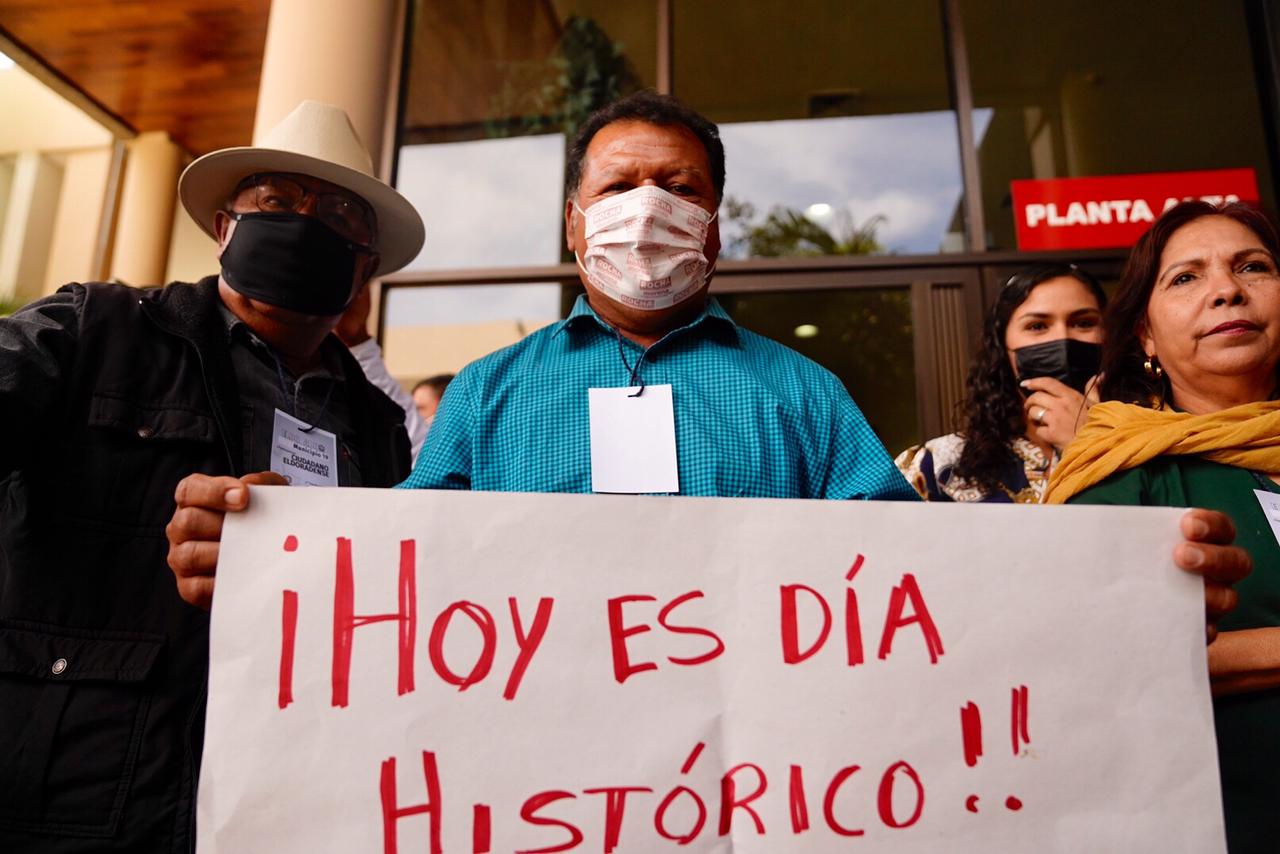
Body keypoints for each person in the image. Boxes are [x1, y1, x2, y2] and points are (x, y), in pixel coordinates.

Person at [0, 100, 422, 852]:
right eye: (277, 200)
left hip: (284, 799)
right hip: (77, 797)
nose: (305, 222)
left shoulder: (380, 428)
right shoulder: (95, 331)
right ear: (225, 226)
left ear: (365, 267)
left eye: (339, 214)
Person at [396, 90, 918, 499]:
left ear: (713, 230)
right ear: (573, 224)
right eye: (618, 187)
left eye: (681, 188)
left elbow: (892, 555)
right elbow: (414, 551)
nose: (647, 210)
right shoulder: (482, 393)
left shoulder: (809, 395)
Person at [1045, 201, 1280, 852]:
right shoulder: (1120, 474)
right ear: (1145, 335)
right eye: (1186, 277)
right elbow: (1085, 657)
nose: (1226, 290)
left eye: (1253, 267)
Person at [895, 264, 1106, 502]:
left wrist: (1091, 444)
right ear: (1003, 345)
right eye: (1037, 326)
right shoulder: (938, 467)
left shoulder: (1139, 448)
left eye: (1083, 323)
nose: (1062, 338)